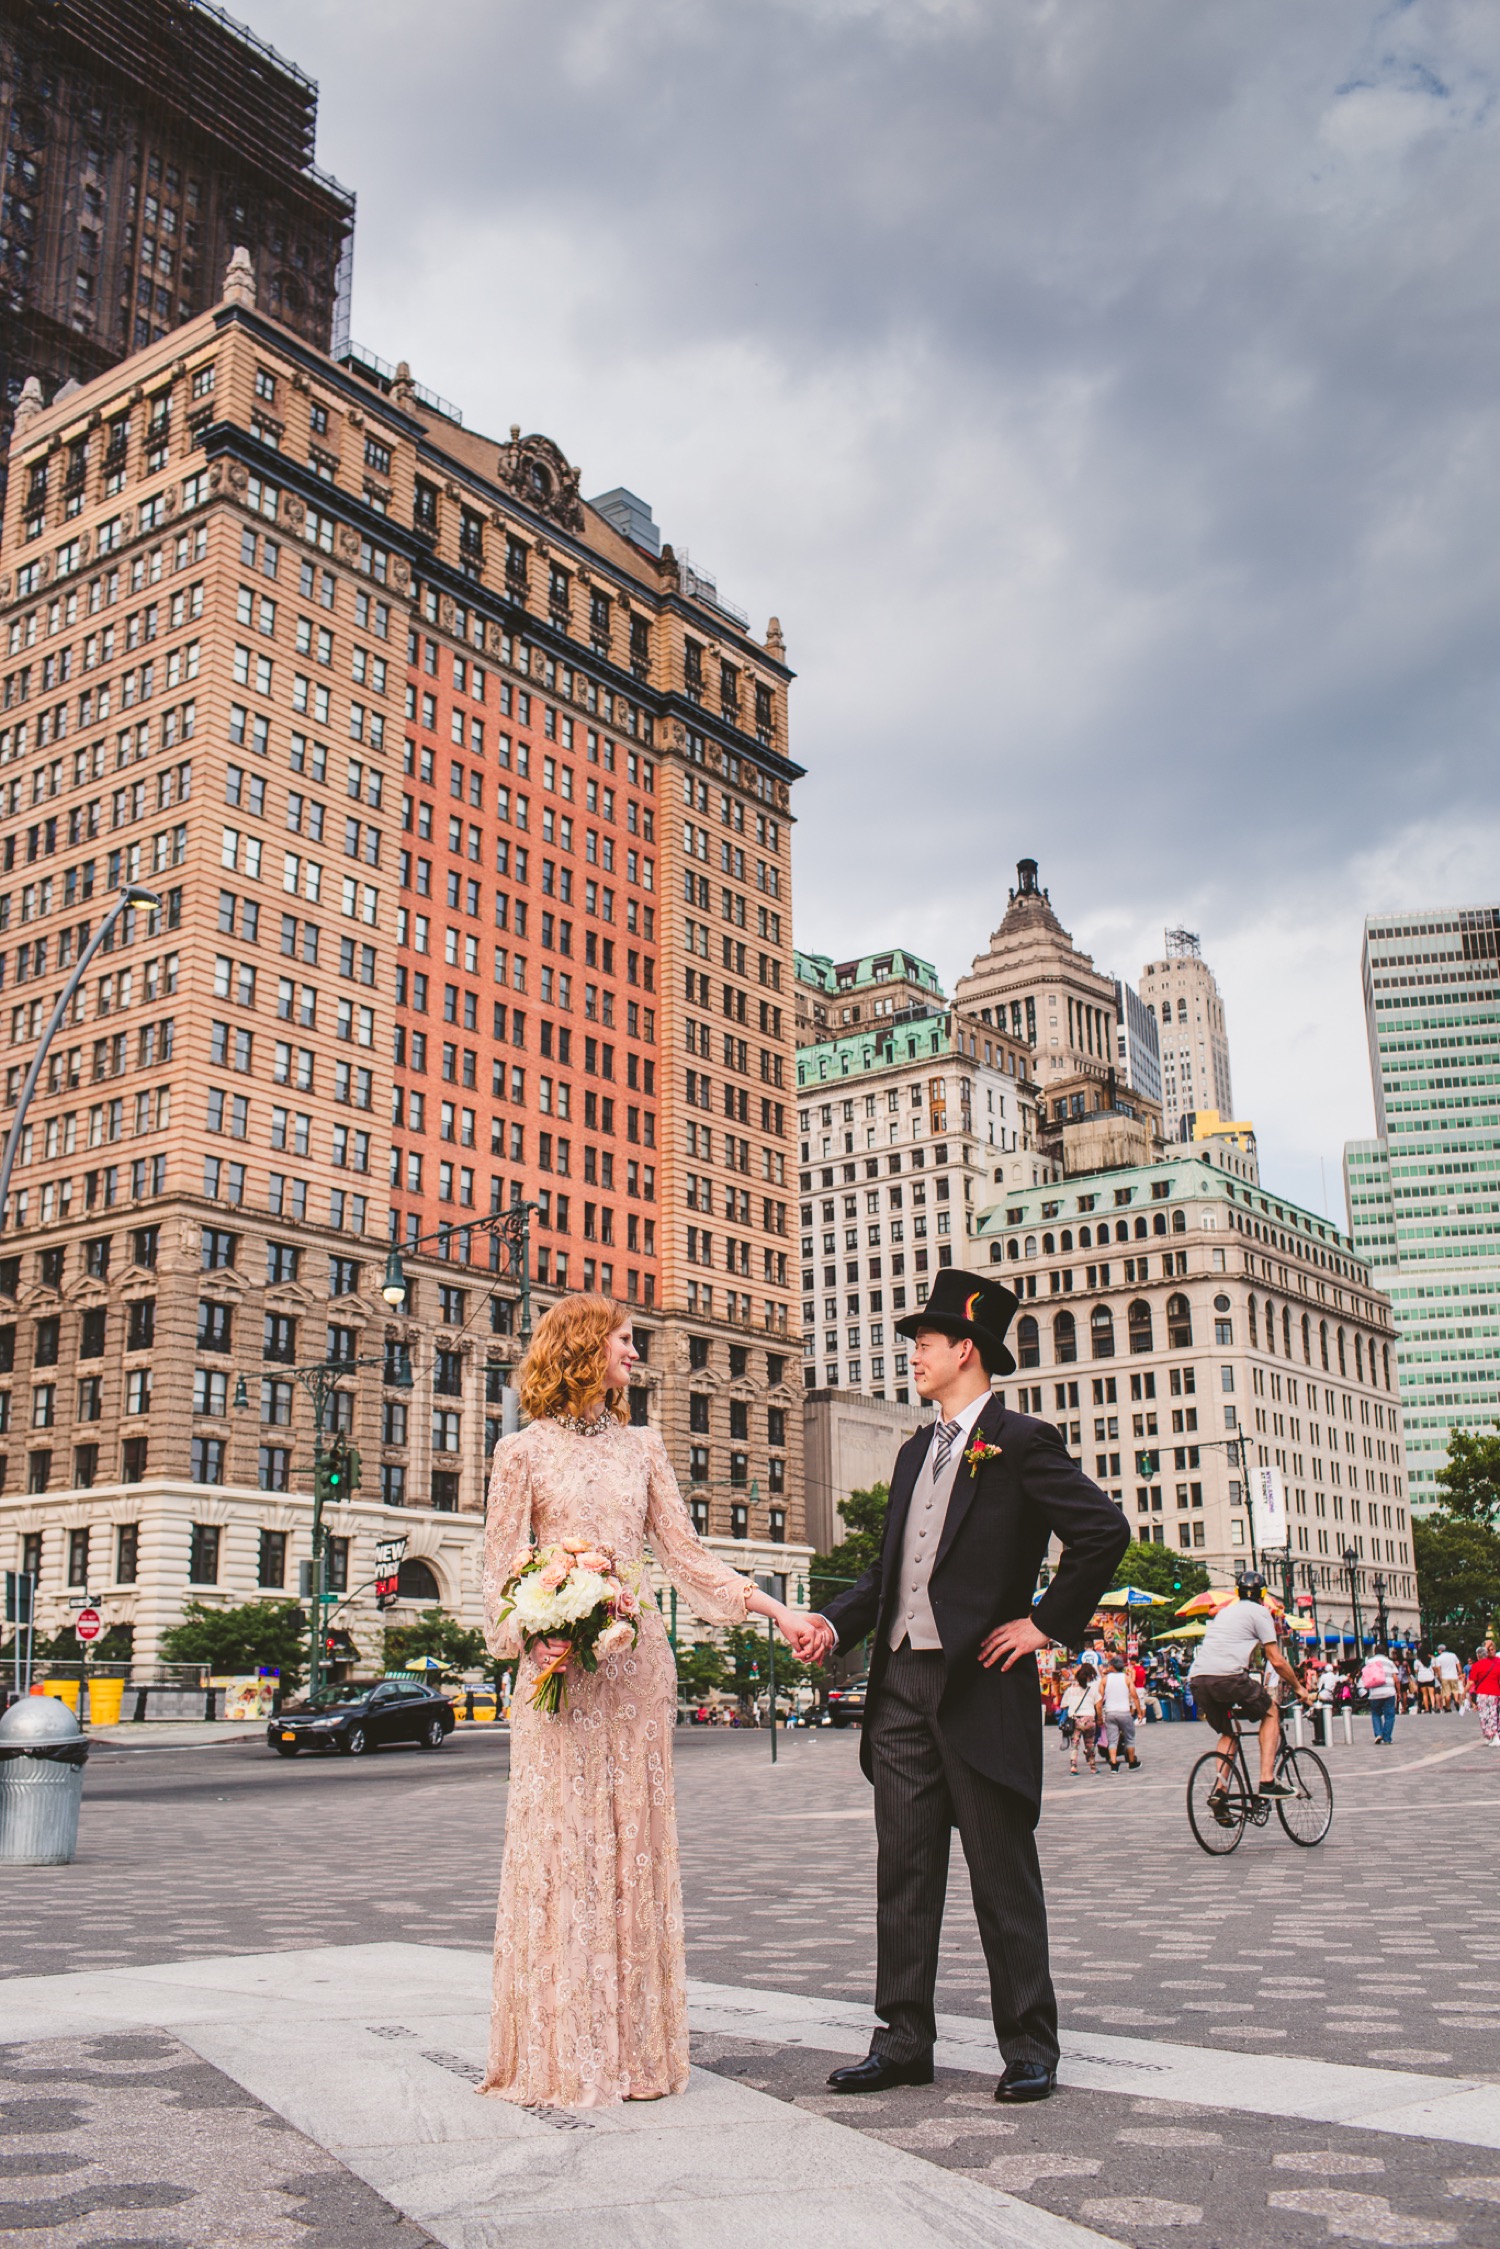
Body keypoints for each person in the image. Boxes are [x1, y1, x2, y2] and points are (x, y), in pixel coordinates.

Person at [797, 1269, 1129, 2106]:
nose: (913, 1354)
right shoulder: (916, 1450)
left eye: (925, 1342)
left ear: (965, 1350)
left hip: (982, 1684)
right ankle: (903, 2039)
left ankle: (1028, 2045)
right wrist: (834, 1624)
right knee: (903, 1872)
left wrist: (1045, 1624)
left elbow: (1102, 1532)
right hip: (901, 1687)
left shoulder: (1021, 1442)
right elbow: (886, 1574)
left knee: (1000, 1874)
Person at [481, 1294, 804, 2108]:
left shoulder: (646, 1448)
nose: (636, 1355)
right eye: (626, 1341)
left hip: (635, 1674)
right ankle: (559, 2048)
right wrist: (533, 1631)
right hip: (559, 1681)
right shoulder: (518, 1452)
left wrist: (775, 1610)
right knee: (564, 1851)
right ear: (585, 1348)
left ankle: (632, 2054)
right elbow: (495, 1580)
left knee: (631, 1852)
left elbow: (687, 1558)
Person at [1188, 1571, 1313, 1798]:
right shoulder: (1260, 1613)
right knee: (1272, 1712)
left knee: (1228, 1732)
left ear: (1237, 1592)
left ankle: (1220, 1792)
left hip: (1198, 1679)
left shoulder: (1224, 1613)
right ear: (1263, 1594)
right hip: (1229, 1678)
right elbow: (1276, 1659)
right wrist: (1299, 1687)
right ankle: (1267, 1780)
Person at [1100, 1654, 1144, 1771]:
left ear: (1113, 1666)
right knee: (1129, 1738)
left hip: (1110, 1712)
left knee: (1112, 1740)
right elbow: (1134, 1696)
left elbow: (1099, 1699)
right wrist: (1139, 1712)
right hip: (1124, 1712)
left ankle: (1114, 1765)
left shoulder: (1105, 1679)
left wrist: (1099, 1715)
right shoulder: (1127, 1678)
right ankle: (1131, 1762)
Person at [1059, 1660, 1102, 1775]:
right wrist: (1100, 1719)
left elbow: (1064, 1706)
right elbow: (1098, 1706)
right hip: (1089, 1719)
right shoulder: (1092, 1690)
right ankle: (1092, 1767)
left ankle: (1073, 1766)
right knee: (1090, 1744)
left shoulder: (1070, 1690)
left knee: (1075, 1744)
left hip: (1075, 1720)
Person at [1361, 1648, 1398, 1745]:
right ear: (1385, 1653)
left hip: (1374, 1692)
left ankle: (1378, 1733)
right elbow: (1396, 1678)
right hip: (1389, 1691)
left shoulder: (1369, 1662)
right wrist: (1398, 1691)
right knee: (1389, 1715)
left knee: (1376, 1714)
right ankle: (1387, 1737)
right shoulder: (1389, 1662)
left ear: (1374, 1652)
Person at [1468, 1643, 1500, 1745]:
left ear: (1478, 1656)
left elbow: (1471, 1681)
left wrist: (1464, 1692)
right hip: (1495, 1693)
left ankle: (1489, 1735)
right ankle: (1495, 1735)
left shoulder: (1476, 1666)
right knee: (1493, 1715)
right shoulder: (1496, 1665)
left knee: (1484, 1715)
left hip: (1482, 1693)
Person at [1435, 1644, 1464, 1711]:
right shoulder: (1453, 1655)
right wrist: (1459, 1673)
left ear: (1440, 1650)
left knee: (1447, 1693)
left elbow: (1438, 1670)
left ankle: (1448, 1707)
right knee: (1455, 1691)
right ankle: (1456, 1701)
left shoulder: (1439, 1658)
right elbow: (1458, 1665)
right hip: (1454, 1676)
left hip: (1445, 1677)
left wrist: (1440, 1678)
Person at [1413, 1645, 1437, 1713]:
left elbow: (1416, 1671)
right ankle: (1433, 1706)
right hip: (1430, 1677)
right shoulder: (1431, 1660)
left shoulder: (1417, 1661)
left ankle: (1426, 1708)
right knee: (1431, 1694)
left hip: (1421, 1678)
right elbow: (1434, 1668)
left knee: (1425, 1694)